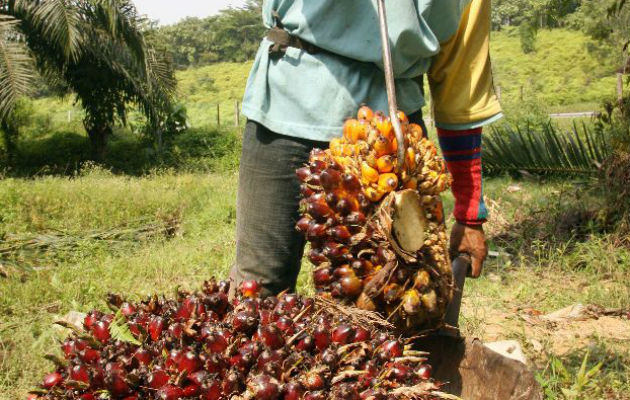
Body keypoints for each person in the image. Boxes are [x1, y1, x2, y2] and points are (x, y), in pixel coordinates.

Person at [229, 0, 502, 323]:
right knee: (258, 294)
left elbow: (462, 85)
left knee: (395, 302)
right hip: (289, 104)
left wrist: (470, 215)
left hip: (393, 132)